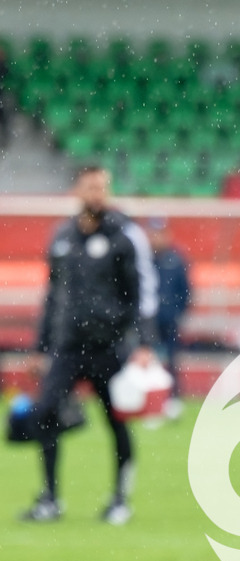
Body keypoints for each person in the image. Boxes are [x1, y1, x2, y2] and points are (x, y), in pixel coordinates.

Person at [20, 165, 159, 524]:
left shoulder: (125, 234)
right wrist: (40, 347)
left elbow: (142, 291)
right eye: (90, 187)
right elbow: (53, 295)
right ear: (77, 191)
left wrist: (144, 342)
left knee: (116, 421)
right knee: (44, 413)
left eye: (102, 188)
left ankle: (119, 499)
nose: (97, 194)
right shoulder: (62, 237)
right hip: (67, 346)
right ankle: (50, 498)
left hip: (110, 347)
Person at [145, 217, 191, 419]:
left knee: (171, 361)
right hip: (147, 322)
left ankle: (171, 400)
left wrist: (175, 312)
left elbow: (185, 291)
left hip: (169, 320)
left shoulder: (176, 259)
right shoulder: (143, 259)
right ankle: (149, 405)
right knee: (148, 361)